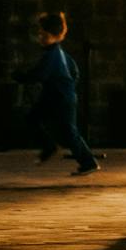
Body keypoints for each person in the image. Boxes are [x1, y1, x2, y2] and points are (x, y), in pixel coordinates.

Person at [20, 12, 98, 174]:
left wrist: (23, 77)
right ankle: (49, 146)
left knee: (69, 132)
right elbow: (74, 71)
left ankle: (88, 161)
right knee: (34, 119)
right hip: (57, 95)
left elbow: (40, 74)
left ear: (51, 35)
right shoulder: (60, 54)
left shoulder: (53, 56)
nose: (39, 36)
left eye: (42, 33)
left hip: (61, 98)